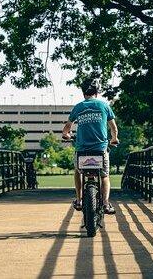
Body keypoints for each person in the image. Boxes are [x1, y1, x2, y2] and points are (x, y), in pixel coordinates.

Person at [62, 78, 119, 214]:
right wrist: (114, 139)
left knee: (78, 172)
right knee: (104, 176)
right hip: (100, 149)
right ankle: (106, 204)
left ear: (83, 92)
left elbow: (66, 130)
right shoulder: (104, 105)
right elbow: (114, 128)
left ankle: (79, 200)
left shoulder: (78, 107)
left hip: (82, 150)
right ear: (97, 92)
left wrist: (67, 136)